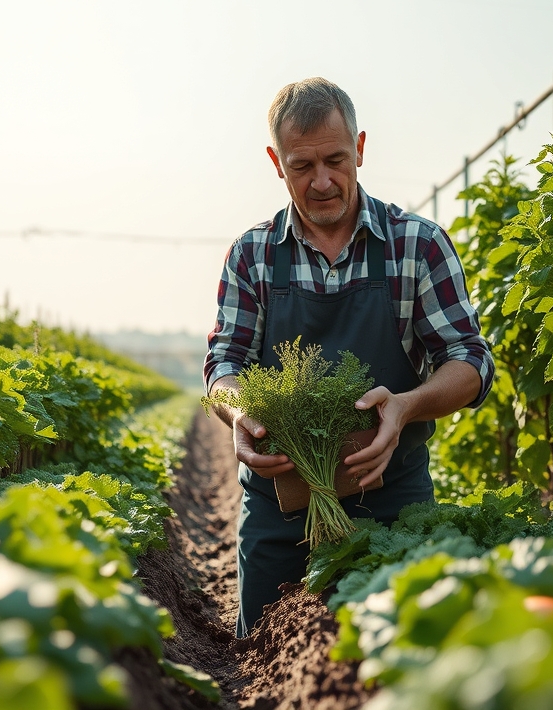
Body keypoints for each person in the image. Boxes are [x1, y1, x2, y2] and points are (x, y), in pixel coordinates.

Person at [203, 77, 496, 637]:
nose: (321, 182)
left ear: (359, 148)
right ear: (275, 162)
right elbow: (224, 363)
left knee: (406, 656)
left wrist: (407, 406)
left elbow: (470, 361)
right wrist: (239, 411)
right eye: (301, 166)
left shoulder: (418, 245)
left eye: (336, 160)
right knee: (265, 657)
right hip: (279, 509)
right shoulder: (253, 256)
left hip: (394, 504)